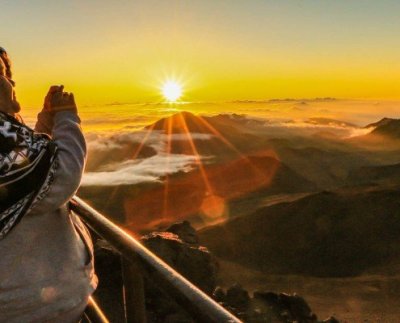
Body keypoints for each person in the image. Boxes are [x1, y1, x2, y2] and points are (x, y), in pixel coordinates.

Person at [0, 47, 97, 322]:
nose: (11, 82)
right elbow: (61, 177)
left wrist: (46, 122)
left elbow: (29, 171)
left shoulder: (5, 143)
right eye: (1, 74)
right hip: (33, 308)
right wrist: (67, 119)